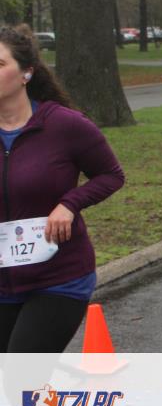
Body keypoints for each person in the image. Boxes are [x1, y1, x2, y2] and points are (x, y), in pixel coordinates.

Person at [0, 26, 125, 352]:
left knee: (21, 376)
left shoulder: (64, 125)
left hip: (57, 278)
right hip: (3, 280)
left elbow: (110, 175)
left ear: (26, 73)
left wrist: (69, 204)